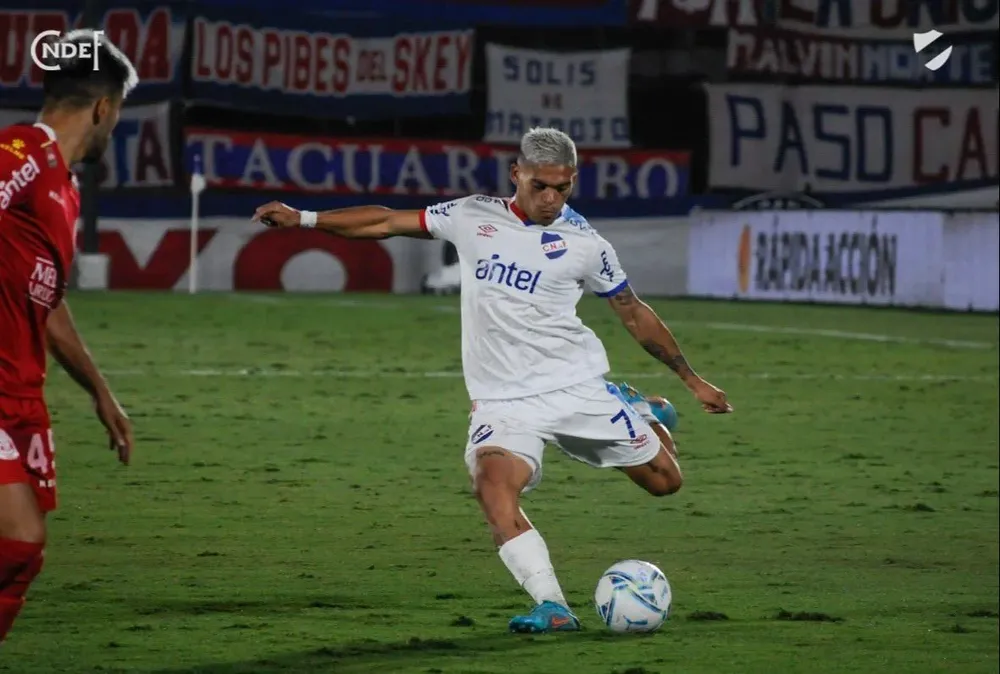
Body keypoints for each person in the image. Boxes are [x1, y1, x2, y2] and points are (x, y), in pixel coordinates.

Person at [252, 127, 732, 633]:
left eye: (562, 189)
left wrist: (691, 379)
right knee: (492, 489)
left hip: (575, 389)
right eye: (539, 186)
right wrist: (304, 218)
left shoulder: (587, 244)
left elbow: (632, 312)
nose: (550, 199)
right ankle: (553, 607)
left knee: (665, 483)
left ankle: (638, 410)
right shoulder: (472, 214)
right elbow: (386, 222)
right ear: (516, 174)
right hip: (502, 400)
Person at [0, 30, 138, 643]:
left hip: (20, 394)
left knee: (21, 555)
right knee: (19, 541)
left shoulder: (64, 186)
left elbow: (48, 303)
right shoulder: (21, 151)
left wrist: (99, 392)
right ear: (105, 108)